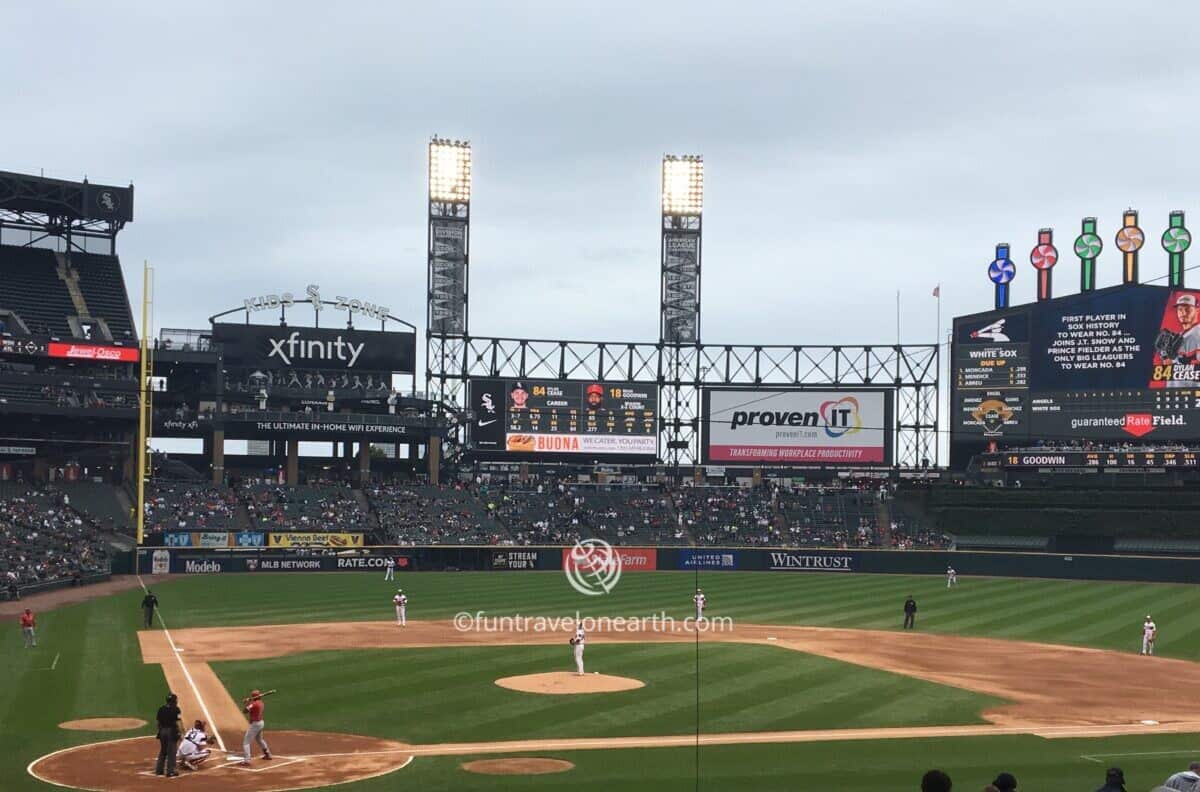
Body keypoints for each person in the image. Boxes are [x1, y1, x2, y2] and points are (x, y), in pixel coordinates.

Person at [1167, 294, 1200, 388]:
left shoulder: (1196, 335)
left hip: (1191, 395)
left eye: (1188, 309)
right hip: (1175, 395)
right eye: (1180, 309)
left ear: (1197, 310)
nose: (1183, 313)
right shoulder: (1182, 335)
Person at [240, 689, 272, 765]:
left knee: (246, 742)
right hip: (261, 723)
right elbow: (251, 706)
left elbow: (244, 711)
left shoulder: (253, 704)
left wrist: (247, 702)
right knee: (259, 739)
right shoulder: (261, 703)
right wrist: (249, 702)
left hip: (255, 725)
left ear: (253, 697)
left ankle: (247, 760)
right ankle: (267, 754)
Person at [154, 693, 182, 777]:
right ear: (174, 701)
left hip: (162, 731)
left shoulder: (161, 709)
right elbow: (178, 722)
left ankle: (159, 770)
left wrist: (160, 731)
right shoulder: (176, 709)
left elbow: (158, 722)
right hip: (171, 732)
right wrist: (180, 732)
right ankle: (170, 771)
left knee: (163, 750)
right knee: (171, 752)